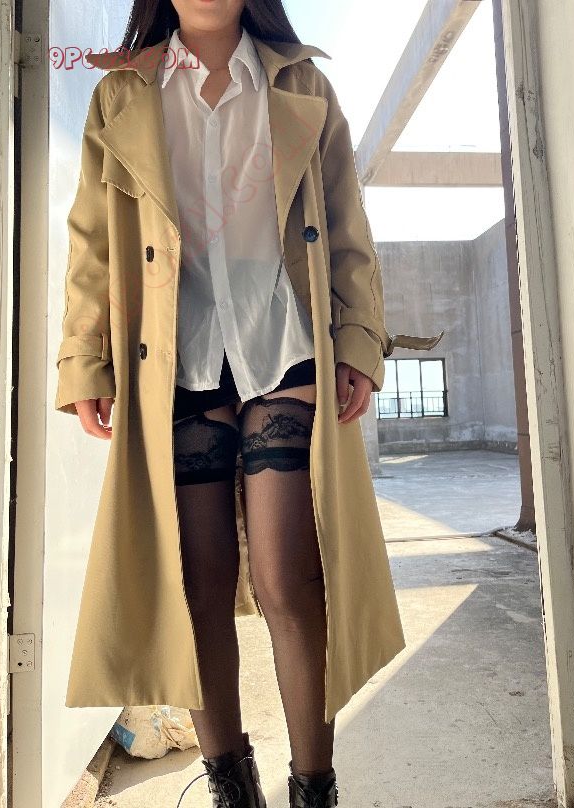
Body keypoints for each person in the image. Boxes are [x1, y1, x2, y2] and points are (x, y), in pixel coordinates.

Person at [58, 0, 439, 804]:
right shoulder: (122, 94)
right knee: (196, 588)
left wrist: (359, 340)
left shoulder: (300, 82)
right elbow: (92, 240)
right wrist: (85, 360)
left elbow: (346, 221)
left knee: (286, 577)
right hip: (174, 355)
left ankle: (315, 786)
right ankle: (233, 786)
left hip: (283, 342)